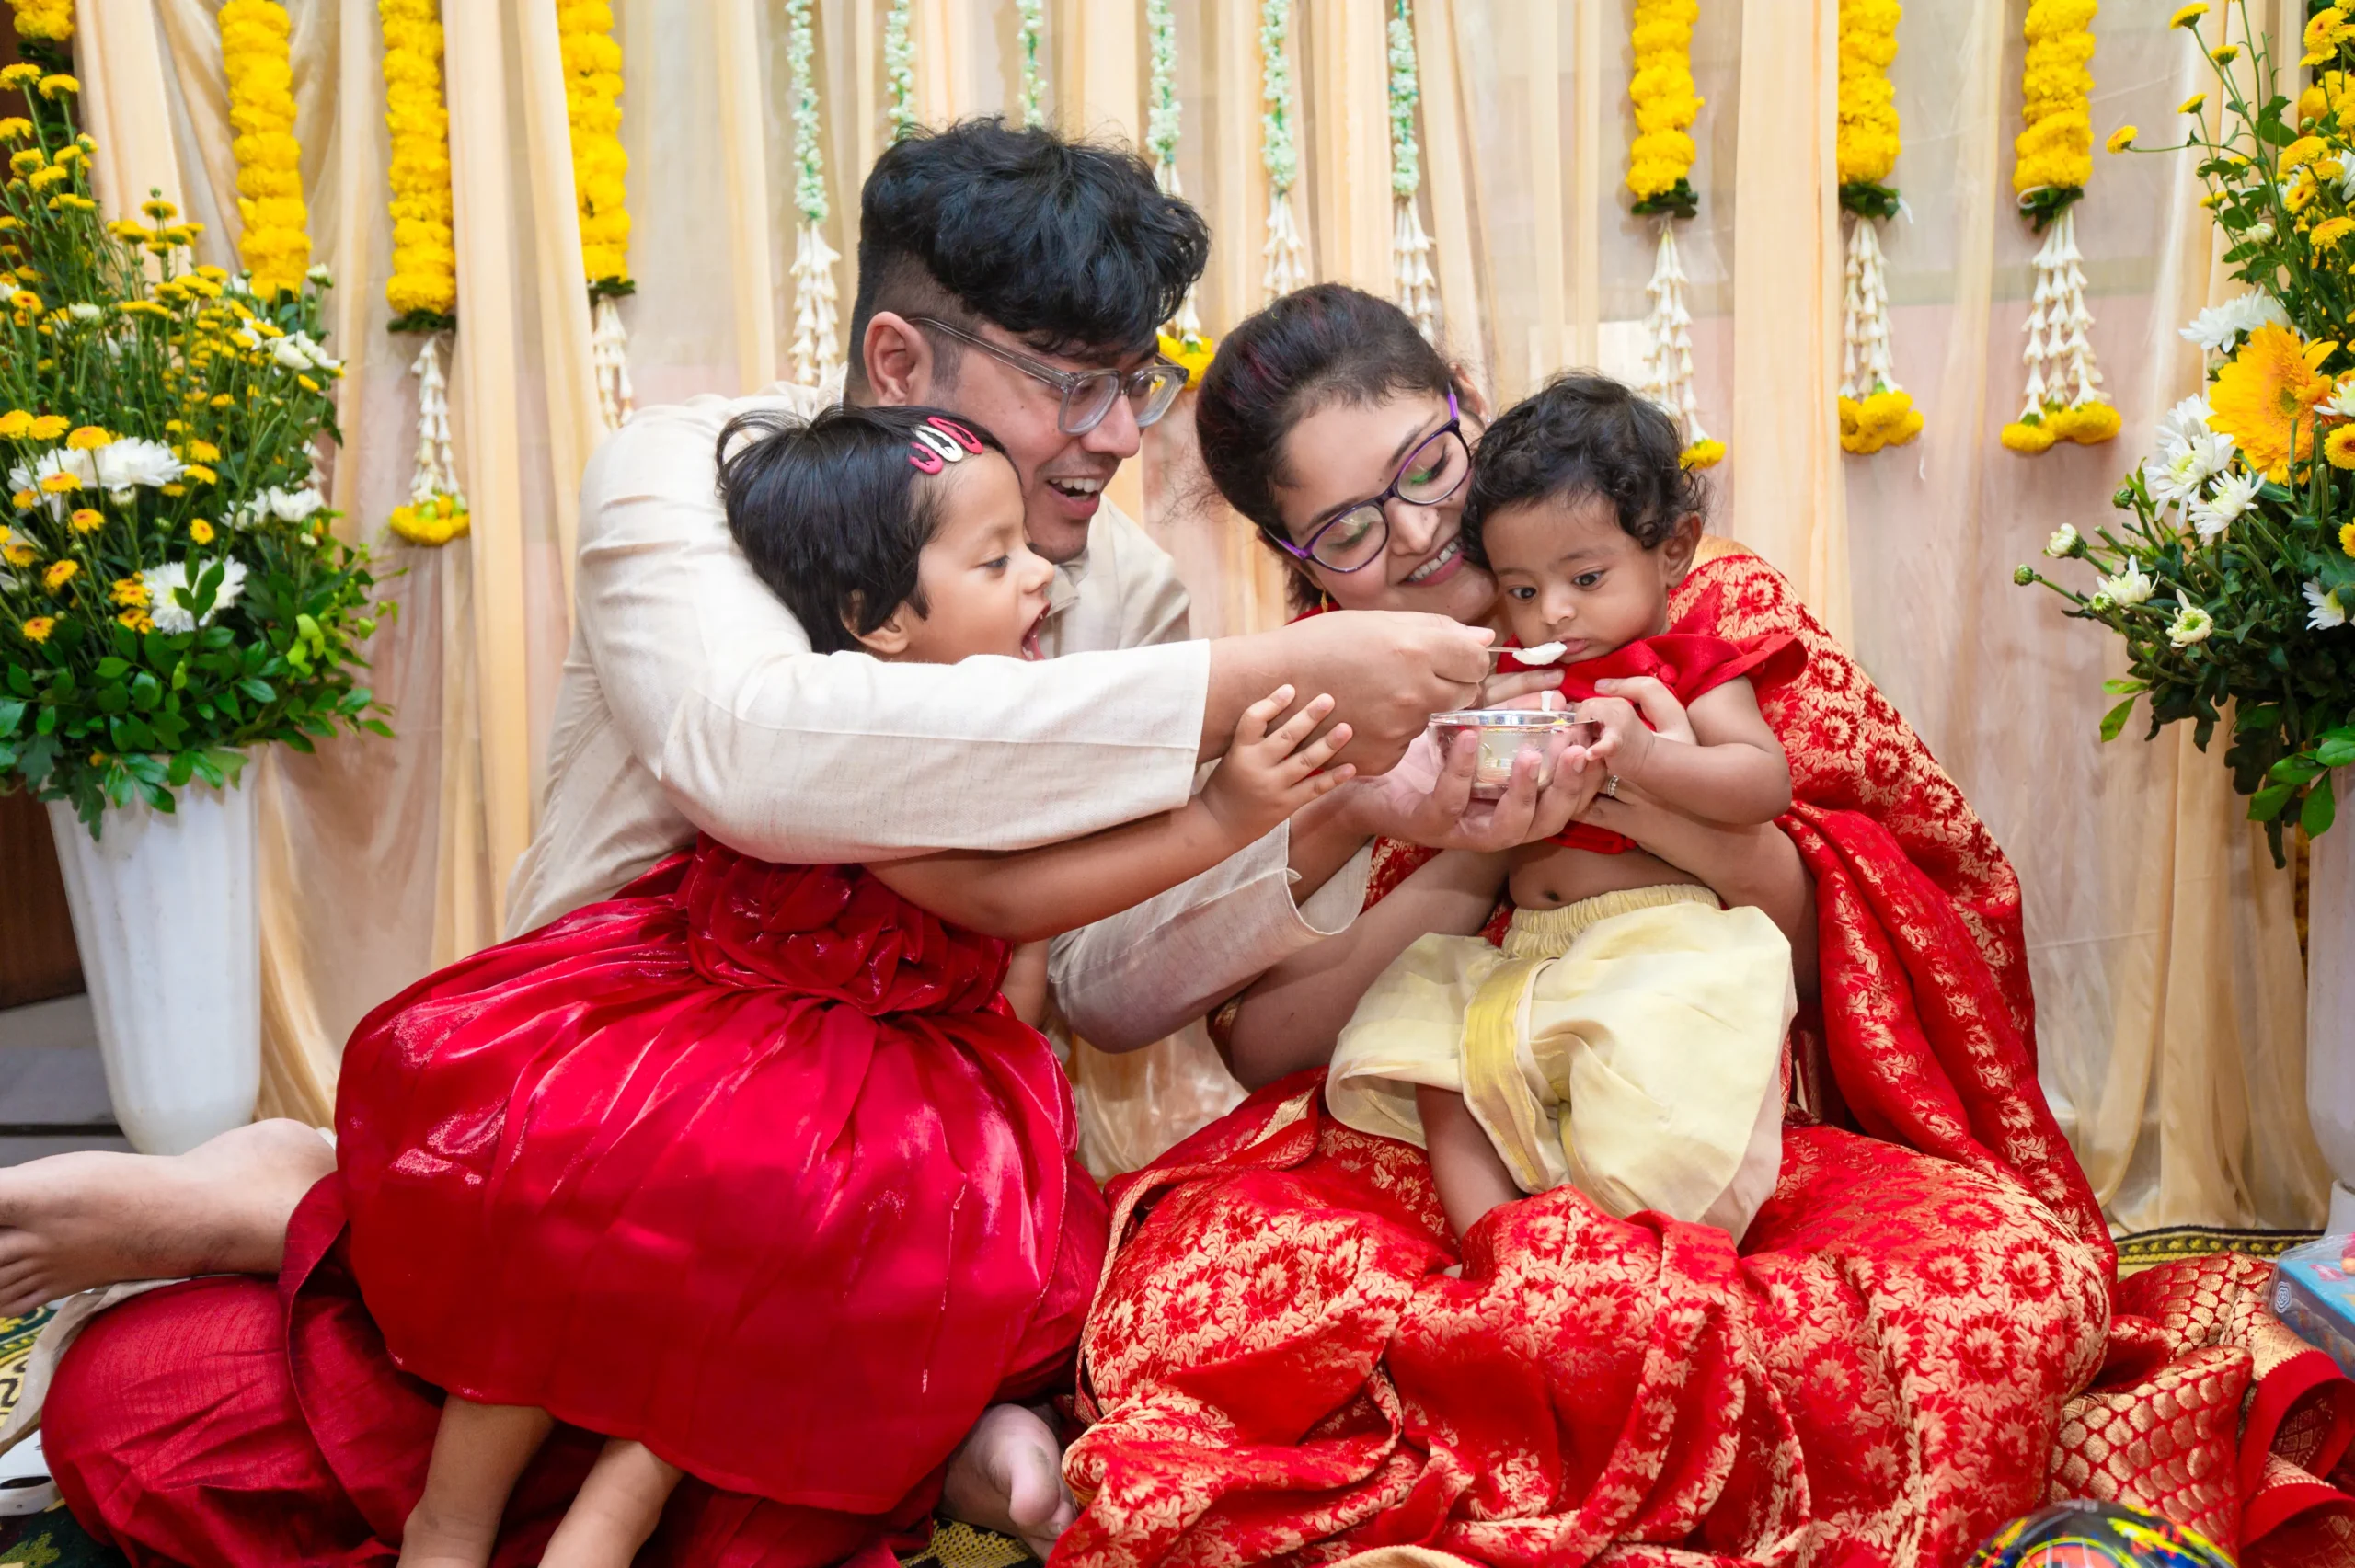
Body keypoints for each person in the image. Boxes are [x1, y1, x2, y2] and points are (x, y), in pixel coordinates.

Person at [0, 138, 1582, 1568]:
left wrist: (1335, 817)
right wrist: (1252, 684)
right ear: (900, 357)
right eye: (1073, 385)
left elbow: (1094, 977)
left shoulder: (1116, 590)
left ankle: (369, 1246)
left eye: (1136, 383)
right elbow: (761, 758)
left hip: (885, 1191)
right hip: (619, 1131)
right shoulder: (698, 480)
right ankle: (306, 1205)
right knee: (146, 1420)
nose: (1114, 438)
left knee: (792, 1467)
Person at [1054, 287, 2355, 1566]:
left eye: (1427, 464)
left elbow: (1838, 929)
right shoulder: (1321, 708)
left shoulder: (1699, 613)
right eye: (1343, 527)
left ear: (1470, 412)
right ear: (1291, 560)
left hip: (1715, 1125)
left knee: (2011, 1294)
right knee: (1201, 1316)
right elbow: (1268, 1044)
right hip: (1425, 1148)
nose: (1415, 529)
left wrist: (1628, 787)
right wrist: (1454, 853)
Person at [350, 405, 1356, 1568]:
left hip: (901, 1069)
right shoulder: (869, 742)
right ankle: (455, 1520)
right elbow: (1001, 904)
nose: (1043, 580)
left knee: (796, 1248)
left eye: (1027, 548)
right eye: (996, 560)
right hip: (730, 1033)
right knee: (585, 1205)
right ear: (876, 624)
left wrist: (998, 1117)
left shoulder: (1016, 723)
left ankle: (611, 1516)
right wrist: (1223, 814)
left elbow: (1017, 957)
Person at [1323, 375, 1798, 1242]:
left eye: (1584, 576)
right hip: (1532, 951)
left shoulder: (1685, 663)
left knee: (1655, 1084)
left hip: (1657, 941)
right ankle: (1500, 1248)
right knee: (1434, 1050)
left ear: (1675, 548)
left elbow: (1765, 783)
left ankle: (1635, 1234)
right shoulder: (1517, 673)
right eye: (1524, 589)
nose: (1557, 612)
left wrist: (1652, 755)